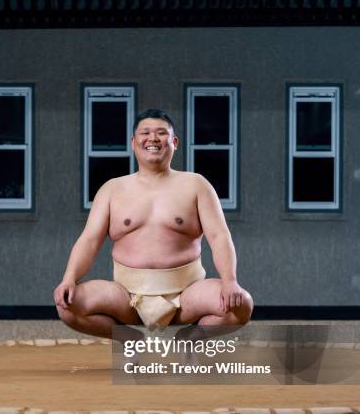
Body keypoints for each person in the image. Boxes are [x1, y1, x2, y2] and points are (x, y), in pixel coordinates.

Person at [54, 108, 253, 338]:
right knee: (67, 305)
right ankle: (129, 339)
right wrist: (69, 278)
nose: (153, 138)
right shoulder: (112, 189)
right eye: (145, 133)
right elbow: (89, 241)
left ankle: (190, 339)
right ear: (133, 142)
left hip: (187, 293)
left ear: (174, 142)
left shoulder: (196, 185)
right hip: (126, 296)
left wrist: (230, 281)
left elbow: (219, 236)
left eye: (161, 133)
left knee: (241, 305)